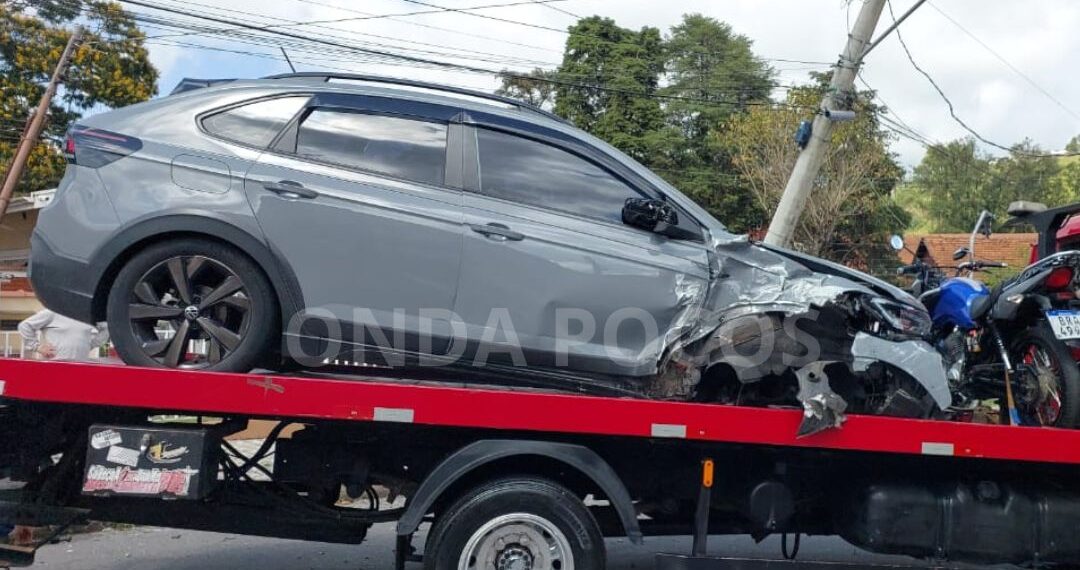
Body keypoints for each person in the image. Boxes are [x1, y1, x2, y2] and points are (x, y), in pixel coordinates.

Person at [17, 309, 108, 362]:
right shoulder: (52, 312)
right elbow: (24, 326)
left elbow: (106, 329)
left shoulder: (87, 315)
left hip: (81, 366)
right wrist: (36, 347)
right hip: (55, 365)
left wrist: (90, 344)